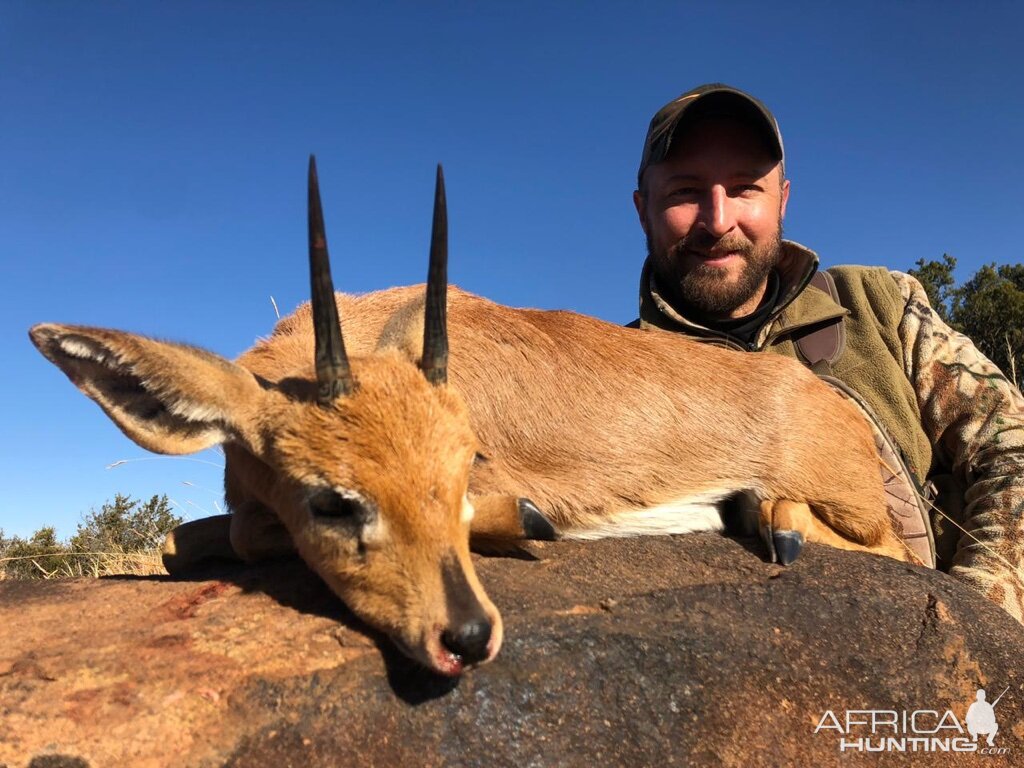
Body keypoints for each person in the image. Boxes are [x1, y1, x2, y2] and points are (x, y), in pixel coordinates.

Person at [629, 83, 1024, 623]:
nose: (718, 220)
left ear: (783, 200)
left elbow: (1011, 448)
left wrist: (975, 623)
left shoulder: (880, 304)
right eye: (684, 192)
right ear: (643, 209)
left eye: (745, 188)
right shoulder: (616, 379)